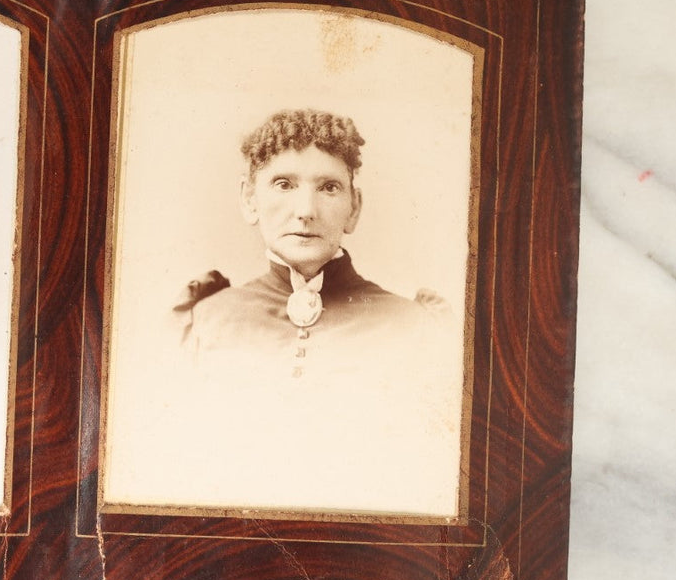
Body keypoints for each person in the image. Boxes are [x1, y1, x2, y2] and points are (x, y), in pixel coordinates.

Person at [173, 108, 463, 516]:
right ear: (248, 199)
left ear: (354, 206)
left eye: (328, 187)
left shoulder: (414, 326)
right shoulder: (204, 321)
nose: (305, 210)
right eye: (283, 184)